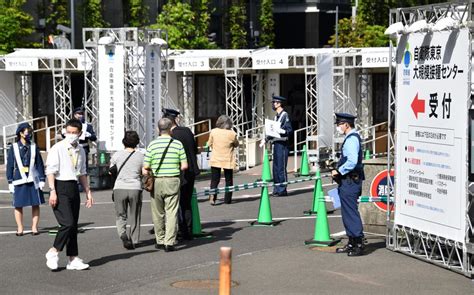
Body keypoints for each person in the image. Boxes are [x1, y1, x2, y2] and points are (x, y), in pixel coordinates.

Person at [44, 118, 94, 270]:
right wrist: (52, 191)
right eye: (69, 132)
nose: (71, 135)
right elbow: (50, 171)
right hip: (60, 186)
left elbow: (83, 173)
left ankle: (73, 259)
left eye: (74, 133)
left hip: (73, 187)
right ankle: (53, 251)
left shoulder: (81, 150)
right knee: (67, 223)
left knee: (73, 226)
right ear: (64, 131)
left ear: (80, 133)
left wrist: (88, 192)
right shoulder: (57, 148)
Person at [143, 118, 188, 252]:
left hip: (156, 181)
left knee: (158, 212)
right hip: (173, 180)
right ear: (170, 129)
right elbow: (184, 166)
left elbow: (145, 167)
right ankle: (170, 242)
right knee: (171, 212)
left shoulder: (152, 145)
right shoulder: (177, 144)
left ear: (158, 129)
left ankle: (160, 240)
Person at [162, 108, 200, 240]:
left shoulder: (172, 136)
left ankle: (177, 229)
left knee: (174, 203)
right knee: (186, 202)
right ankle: (187, 230)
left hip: (178, 172)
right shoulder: (187, 131)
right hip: (191, 171)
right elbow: (195, 150)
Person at [331, 113, 365, 257]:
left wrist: (339, 170)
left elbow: (351, 161)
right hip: (348, 181)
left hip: (350, 180)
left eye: (339, 124)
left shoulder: (351, 140)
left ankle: (358, 243)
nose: (338, 127)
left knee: (350, 212)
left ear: (346, 124)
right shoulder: (351, 138)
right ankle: (351, 241)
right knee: (347, 212)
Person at [6, 123, 46, 236]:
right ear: (20, 133)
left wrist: (42, 178)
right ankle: (20, 228)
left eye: (29, 131)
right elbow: (10, 165)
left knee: (36, 203)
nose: (29, 133)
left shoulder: (33, 146)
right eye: (26, 131)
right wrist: (10, 181)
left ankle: (34, 227)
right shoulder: (13, 147)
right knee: (18, 204)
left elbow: (39, 164)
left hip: (33, 178)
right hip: (19, 178)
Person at [110, 131, 144, 250]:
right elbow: (144, 172)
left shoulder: (117, 155)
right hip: (135, 187)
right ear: (137, 142)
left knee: (120, 215)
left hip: (119, 187)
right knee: (135, 214)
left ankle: (123, 235)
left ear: (124, 141)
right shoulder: (141, 156)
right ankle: (134, 239)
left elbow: (111, 170)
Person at [208, 115, 239, 205]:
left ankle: (212, 197)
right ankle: (227, 199)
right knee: (228, 180)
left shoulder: (213, 132)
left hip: (216, 158)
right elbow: (236, 144)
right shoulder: (232, 134)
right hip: (227, 159)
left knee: (214, 179)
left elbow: (209, 143)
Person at [266, 95, 293, 197]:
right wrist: (266, 139)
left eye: (274, 102)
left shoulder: (284, 115)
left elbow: (289, 130)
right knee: (275, 168)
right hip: (276, 143)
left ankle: (282, 189)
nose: (273, 104)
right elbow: (272, 131)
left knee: (281, 167)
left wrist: (282, 131)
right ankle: (276, 188)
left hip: (282, 144)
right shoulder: (275, 116)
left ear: (279, 103)